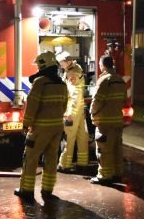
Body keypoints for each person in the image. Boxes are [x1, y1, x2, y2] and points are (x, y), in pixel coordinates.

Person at [14, 51, 68, 202]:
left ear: (43, 66)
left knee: (30, 157)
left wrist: (26, 124)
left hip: (40, 128)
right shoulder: (62, 84)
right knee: (51, 158)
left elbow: (32, 105)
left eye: (38, 65)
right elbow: (64, 106)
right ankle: (47, 189)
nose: (37, 68)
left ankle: (26, 190)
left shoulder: (40, 83)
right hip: (57, 128)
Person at [89, 55, 127, 184]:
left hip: (104, 121)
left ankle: (104, 175)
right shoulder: (120, 80)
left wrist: (92, 113)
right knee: (117, 148)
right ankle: (117, 172)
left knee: (104, 149)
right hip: (117, 120)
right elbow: (123, 99)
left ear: (102, 66)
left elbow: (97, 101)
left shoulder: (104, 80)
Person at [57, 67, 89, 172]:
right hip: (79, 112)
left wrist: (70, 114)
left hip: (72, 112)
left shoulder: (72, 73)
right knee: (82, 136)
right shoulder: (76, 71)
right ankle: (82, 163)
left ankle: (64, 164)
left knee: (69, 137)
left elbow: (74, 96)